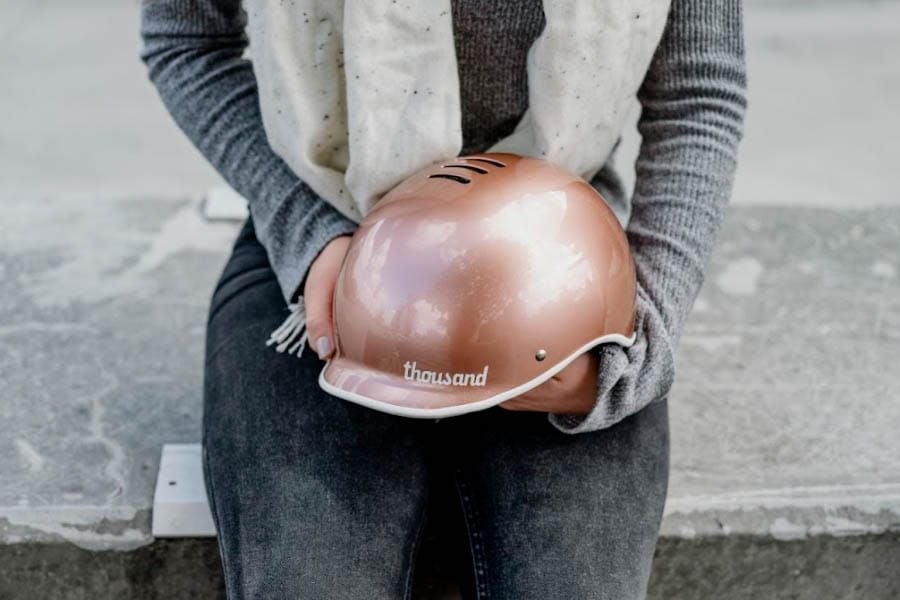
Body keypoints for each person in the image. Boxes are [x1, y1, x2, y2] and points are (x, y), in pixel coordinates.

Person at [140, 0, 746, 598]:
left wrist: (640, 339)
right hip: (332, 239)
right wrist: (304, 231)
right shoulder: (318, 239)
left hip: (564, 268)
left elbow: (699, 92)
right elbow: (186, 38)